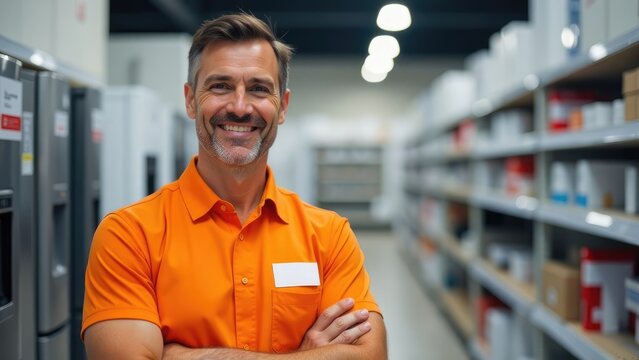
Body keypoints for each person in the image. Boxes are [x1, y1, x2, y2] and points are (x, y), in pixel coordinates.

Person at [82, 13, 387, 359]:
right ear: (190, 100)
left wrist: (173, 354)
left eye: (258, 88)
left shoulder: (329, 235)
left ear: (282, 106)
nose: (240, 107)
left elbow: (370, 354)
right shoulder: (128, 235)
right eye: (220, 86)